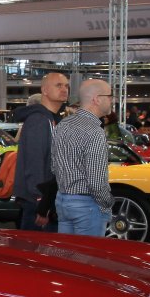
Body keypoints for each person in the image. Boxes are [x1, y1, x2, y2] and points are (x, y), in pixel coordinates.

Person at [50, 78, 115, 237]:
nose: (112, 100)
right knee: (88, 253)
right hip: (87, 206)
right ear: (97, 99)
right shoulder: (95, 131)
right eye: (110, 96)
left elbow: (53, 166)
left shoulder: (62, 125)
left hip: (62, 201)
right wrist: (108, 203)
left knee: (67, 252)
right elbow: (96, 183)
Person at [11, 71, 69, 231]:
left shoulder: (51, 119)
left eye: (66, 86)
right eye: (58, 85)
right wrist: (41, 204)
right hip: (38, 203)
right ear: (44, 90)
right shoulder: (39, 120)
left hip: (47, 200)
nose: (64, 89)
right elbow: (34, 163)